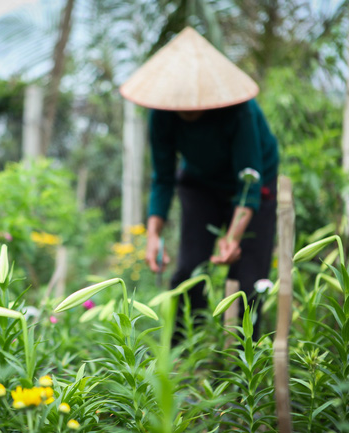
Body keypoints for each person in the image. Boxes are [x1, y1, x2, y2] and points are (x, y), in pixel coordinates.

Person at [119, 27, 279, 339]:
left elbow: (249, 179)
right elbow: (163, 178)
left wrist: (233, 236)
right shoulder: (161, 116)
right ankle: (181, 364)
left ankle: (241, 374)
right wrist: (153, 235)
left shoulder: (240, 111)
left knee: (247, 283)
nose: (187, 107)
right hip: (200, 184)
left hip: (254, 184)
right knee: (187, 274)